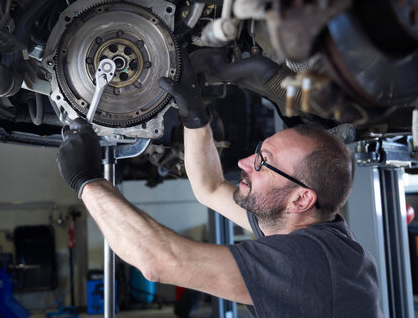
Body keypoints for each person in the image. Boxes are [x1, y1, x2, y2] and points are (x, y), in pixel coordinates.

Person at [56, 56, 383, 318]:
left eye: (262, 162)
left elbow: (159, 261)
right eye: (258, 152)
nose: (243, 163)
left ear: (301, 198)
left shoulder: (312, 263)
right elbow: (210, 187)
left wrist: (87, 181)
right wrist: (195, 119)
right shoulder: (308, 233)